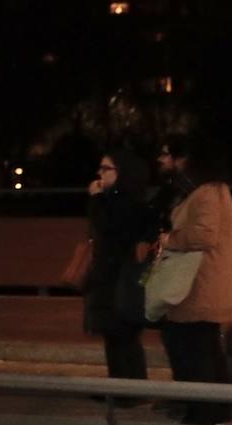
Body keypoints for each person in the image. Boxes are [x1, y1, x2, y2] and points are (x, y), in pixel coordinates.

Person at [156, 134, 232, 425]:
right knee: (205, 348)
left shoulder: (206, 193)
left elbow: (204, 235)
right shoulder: (213, 190)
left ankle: (205, 413)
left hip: (200, 284)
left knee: (198, 350)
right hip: (204, 284)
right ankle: (214, 411)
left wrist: (170, 239)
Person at [83, 148, 158, 397]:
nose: (100, 174)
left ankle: (126, 389)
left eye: (106, 168)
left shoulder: (123, 202)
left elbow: (108, 228)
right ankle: (125, 387)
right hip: (119, 277)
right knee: (119, 336)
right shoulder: (130, 199)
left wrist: (95, 199)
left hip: (119, 277)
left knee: (120, 335)